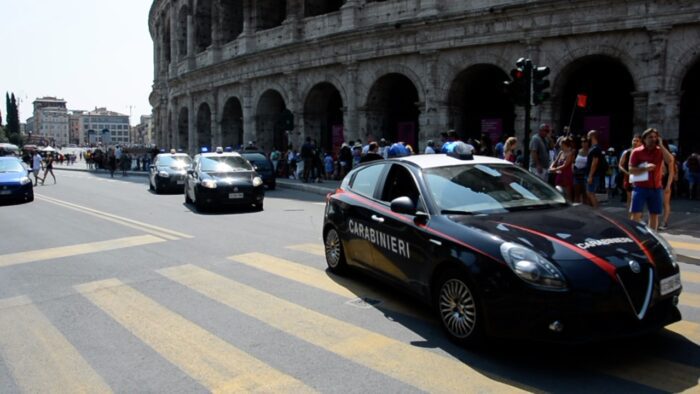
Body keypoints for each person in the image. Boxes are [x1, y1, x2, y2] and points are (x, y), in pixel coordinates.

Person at [628, 128, 674, 231]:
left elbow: (670, 160)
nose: (653, 139)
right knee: (636, 215)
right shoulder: (636, 152)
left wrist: (661, 146)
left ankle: (653, 236)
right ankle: (635, 237)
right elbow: (631, 170)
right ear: (644, 139)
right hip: (640, 188)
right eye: (650, 137)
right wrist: (645, 168)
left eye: (655, 137)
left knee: (654, 215)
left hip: (656, 188)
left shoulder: (659, 151)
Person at [617, 135, 642, 215]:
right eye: (634, 140)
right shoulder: (627, 152)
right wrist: (626, 172)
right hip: (629, 177)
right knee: (630, 197)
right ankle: (630, 215)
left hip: (640, 177)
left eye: (637, 141)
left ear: (641, 143)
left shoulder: (643, 152)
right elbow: (620, 165)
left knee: (638, 197)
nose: (635, 142)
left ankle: (638, 215)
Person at [585, 130, 604, 208]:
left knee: (591, 193)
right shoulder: (592, 147)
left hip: (593, 175)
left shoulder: (596, 148)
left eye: (588, 136)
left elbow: (595, 163)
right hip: (590, 174)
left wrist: (590, 176)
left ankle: (598, 211)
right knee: (589, 193)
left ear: (592, 136)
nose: (587, 138)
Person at [660, 142, 676, 230]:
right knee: (657, 203)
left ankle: (664, 222)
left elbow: (671, 173)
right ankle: (658, 221)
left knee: (665, 203)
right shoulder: (654, 155)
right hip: (656, 182)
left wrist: (668, 186)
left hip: (665, 182)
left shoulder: (669, 157)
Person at [573, 137, 589, 205]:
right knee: (577, 194)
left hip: (585, 174)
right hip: (576, 174)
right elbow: (573, 161)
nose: (583, 143)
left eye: (585, 142)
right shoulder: (577, 151)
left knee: (585, 194)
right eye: (582, 142)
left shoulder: (590, 152)